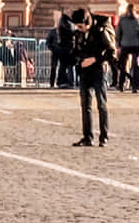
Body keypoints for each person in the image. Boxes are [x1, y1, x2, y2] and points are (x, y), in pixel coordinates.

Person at [72, 9, 114, 148]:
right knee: (85, 105)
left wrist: (95, 59)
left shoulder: (100, 32)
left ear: (86, 23)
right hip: (84, 72)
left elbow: (110, 51)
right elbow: (75, 51)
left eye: (80, 26)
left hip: (98, 71)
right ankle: (87, 137)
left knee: (101, 104)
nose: (78, 29)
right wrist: (79, 62)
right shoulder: (78, 34)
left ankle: (104, 136)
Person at [45, 14, 69, 89]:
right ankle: (52, 83)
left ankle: (60, 82)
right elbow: (48, 42)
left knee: (62, 68)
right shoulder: (52, 32)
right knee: (53, 67)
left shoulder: (65, 31)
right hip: (55, 52)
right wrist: (52, 48)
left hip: (63, 52)